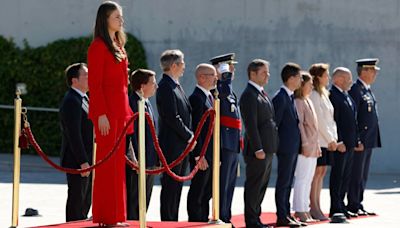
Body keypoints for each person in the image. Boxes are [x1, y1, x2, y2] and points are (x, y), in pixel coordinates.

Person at [87, 1, 133, 225]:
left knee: (117, 166)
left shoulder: (118, 44)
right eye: (116, 16)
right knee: (107, 166)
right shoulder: (98, 46)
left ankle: (117, 215)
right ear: (105, 19)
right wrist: (101, 113)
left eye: (120, 16)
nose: (120, 20)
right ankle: (107, 216)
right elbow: (95, 85)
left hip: (120, 111)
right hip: (107, 113)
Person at [156, 49, 195, 221]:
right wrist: (189, 136)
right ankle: (168, 221)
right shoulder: (165, 86)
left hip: (180, 145)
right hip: (172, 145)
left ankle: (173, 220)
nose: (184, 66)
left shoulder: (175, 85)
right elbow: (172, 117)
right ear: (173, 66)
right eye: (182, 63)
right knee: (170, 188)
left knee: (177, 187)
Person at [240, 59, 278, 228]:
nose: (267, 75)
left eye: (267, 72)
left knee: (262, 185)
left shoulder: (261, 92)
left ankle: (256, 217)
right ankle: (251, 220)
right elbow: (250, 125)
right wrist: (258, 148)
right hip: (258, 150)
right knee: (254, 185)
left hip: (268, 149)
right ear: (253, 74)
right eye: (263, 72)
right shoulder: (249, 95)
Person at [210, 53, 241, 224]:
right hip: (224, 143)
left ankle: (226, 216)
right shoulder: (219, 89)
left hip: (233, 143)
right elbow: (222, 93)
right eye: (229, 66)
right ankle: (221, 215)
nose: (232, 70)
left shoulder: (229, 91)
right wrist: (223, 76)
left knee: (230, 184)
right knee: (223, 184)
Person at [347, 58, 381, 216]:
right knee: (356, 173)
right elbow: (352, 118)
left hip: (369, 139)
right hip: (361, 140)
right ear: (364, 71)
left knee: (363, 174)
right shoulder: (356, 89)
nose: (375, 73)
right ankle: (353, 204)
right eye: (373, 70)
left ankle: (358, 203)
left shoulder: (367, 89)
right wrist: (357, 139)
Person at [60, 63, 93, 222]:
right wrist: (83, 161)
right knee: (76, 201)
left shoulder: (84, 97)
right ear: (74, 80)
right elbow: (74, 134)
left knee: (85, 200)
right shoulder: (71, 100)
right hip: (78, 161)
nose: (90, 78)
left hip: (88, 159)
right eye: (86, 75)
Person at [273, 63, 304, 227]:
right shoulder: (281, 97)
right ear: (291, 78)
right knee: (283, 182)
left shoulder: (290, 96)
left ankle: (287, 213)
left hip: (291, 147)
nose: (301, 80)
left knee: (288, 182)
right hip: (284, 148)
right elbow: (275, 125)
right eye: (299, 77)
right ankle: (282, 215)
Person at [329, 67, 362, 219]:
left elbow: (353, 121)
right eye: (348, 78)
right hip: (340, 145)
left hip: (349, 144)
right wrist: (339, 140)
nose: (351, 82)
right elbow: (334, 121)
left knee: (346, 177)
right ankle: (335, 207)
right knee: (338, 176)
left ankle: (341, 205)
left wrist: (357, 140)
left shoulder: (345, 95)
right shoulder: (333, 95)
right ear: (339, 79)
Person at [125, 69, 158, 220]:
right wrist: (135, 161)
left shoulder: (146, 102)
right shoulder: (132, 103)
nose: (156, 86)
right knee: (134, 201)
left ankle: (141, 222)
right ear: (142, 86)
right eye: (152, 83)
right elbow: (131, 135)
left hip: (149, 160)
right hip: (137, 162)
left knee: (144, 200)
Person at [187, 64, 218, 222]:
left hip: (211, 151)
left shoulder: (209, 97)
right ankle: (195, 220)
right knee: (198, 190)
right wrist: (199, 155)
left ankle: (203, 219)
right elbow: (196, 129)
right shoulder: (196, 99)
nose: (216, 78)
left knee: (207, 190)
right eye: (212, 75)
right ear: (202, 77)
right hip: (202, 153)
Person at [309, 63, 338, 221]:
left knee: (321, 173)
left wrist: (333, 139)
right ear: (318, 77)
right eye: (326, 75)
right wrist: (329, 139)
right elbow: (319, 121)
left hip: (327, 141)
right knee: (316, 174)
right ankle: (313, 207)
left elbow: (330, 120)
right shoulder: (314, 94)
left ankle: (317, 205)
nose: (328, 78)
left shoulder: (323, 94)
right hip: (319, 141)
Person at [292, 71, 321, 223]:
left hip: (312, 146)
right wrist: (304, 144)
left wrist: (315, 145)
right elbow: (300, 126)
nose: (311, 87)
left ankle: (305, 208)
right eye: (309, 84)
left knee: (309, 178)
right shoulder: (298, 101)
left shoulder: (307, 100)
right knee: (302, 178)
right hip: (305, 147)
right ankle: (299, 209)